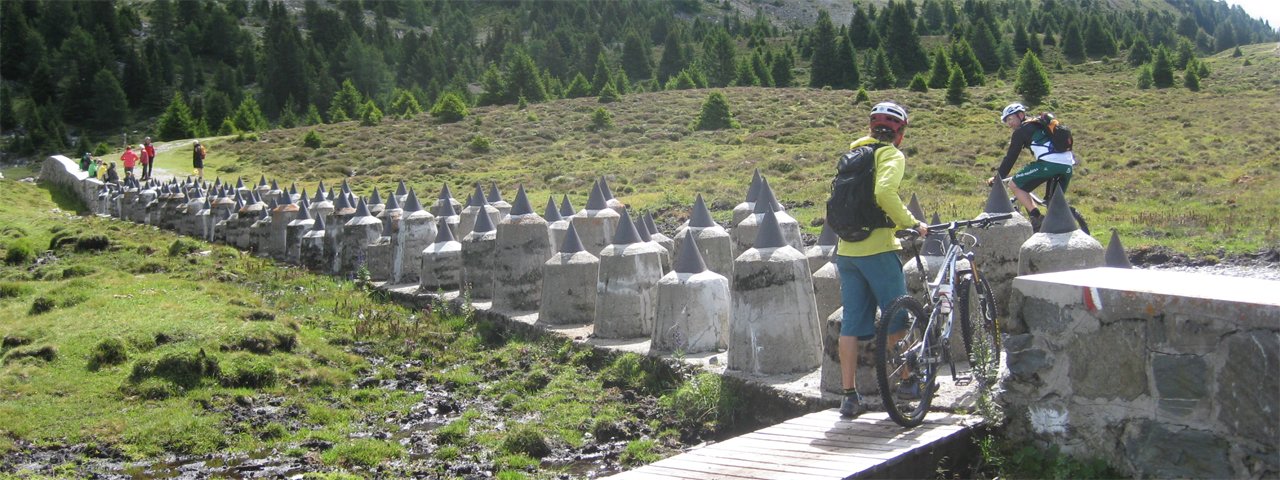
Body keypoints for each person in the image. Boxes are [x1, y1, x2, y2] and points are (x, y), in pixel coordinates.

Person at [833, 102, 928, 418]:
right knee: (896, 315)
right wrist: (911, 223)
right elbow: (885, 192)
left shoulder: (853, 156)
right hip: (878, 249)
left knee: (851, 322)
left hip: (846, 250)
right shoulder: (890, 154)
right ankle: (906, 381)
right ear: (899, 133)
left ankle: (849, 396)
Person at [987, 103, 1077, 231]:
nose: (1009, 124)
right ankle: (1067, 226)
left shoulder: (1021, 131)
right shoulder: (1040, 124)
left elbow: (1010, 158)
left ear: (1021, 115)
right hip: (1068, 166)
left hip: (1048, 164)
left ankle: (1037, 218)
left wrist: (998, 178)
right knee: (1054, 204)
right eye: (1006, 121)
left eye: (1010, 119)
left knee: (1014, 185)